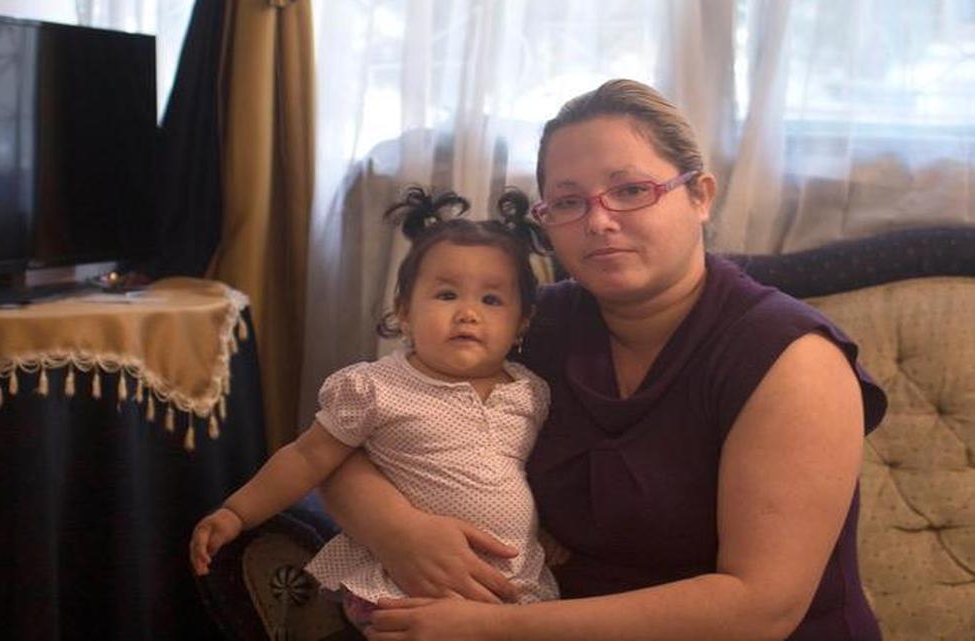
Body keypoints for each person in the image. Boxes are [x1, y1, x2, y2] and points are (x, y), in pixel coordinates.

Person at [318, 79, 888, 641]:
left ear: (700, 195)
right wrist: (399, 531)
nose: (598, 220)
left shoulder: (791, 359)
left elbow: (759, 608)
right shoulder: (535, 326)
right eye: (568, 202)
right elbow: (346, 432)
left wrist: (497, 628)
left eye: (632, 190)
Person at [189, 187, 560, 632]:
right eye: (446, 295)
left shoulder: (531, 392)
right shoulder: (373, 387)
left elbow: (543, 475)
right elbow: (307, 457)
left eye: (492, 300)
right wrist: (237, 511)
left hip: (511, 585)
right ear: (404, 311)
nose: (468, 313)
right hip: (404, 586)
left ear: (521, 323)